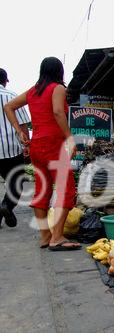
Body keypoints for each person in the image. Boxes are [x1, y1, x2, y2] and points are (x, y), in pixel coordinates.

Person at [4, 57, 80, 251]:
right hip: (53, 145)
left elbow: (8, 107)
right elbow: (57, 112)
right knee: (66, 189)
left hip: (37, 146)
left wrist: (19, 130)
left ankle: (45, 237)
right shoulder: (58, 88)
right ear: (59, 71)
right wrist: (70, 138)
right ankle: (57, 237)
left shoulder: (33, 91)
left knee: (42, 189)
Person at [0, 68, 31, 228]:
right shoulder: (12, 97)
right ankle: (6, 205)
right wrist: (27, 145)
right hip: (11, 149)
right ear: (6, 80)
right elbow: (24, 124)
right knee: (16, 182)